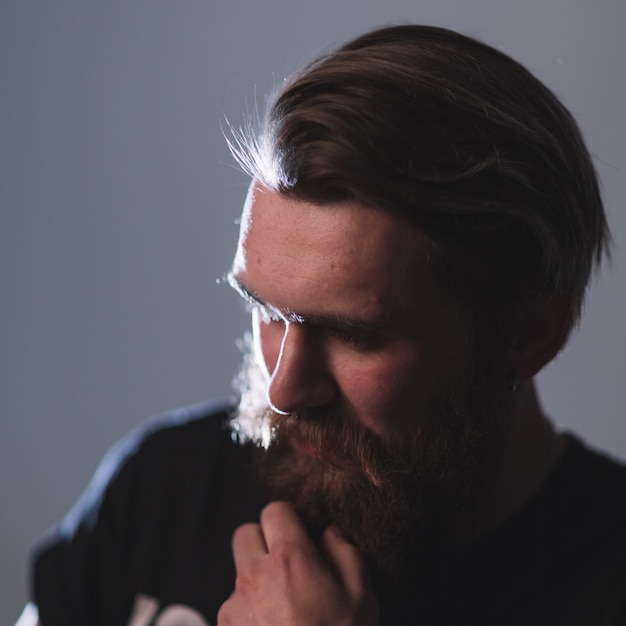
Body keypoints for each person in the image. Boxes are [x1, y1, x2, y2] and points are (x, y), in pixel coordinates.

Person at [19, 24, 626, 626]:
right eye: (265, 310)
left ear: (526, 335)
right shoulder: (160, 490)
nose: (283, 388)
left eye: (355, 335)